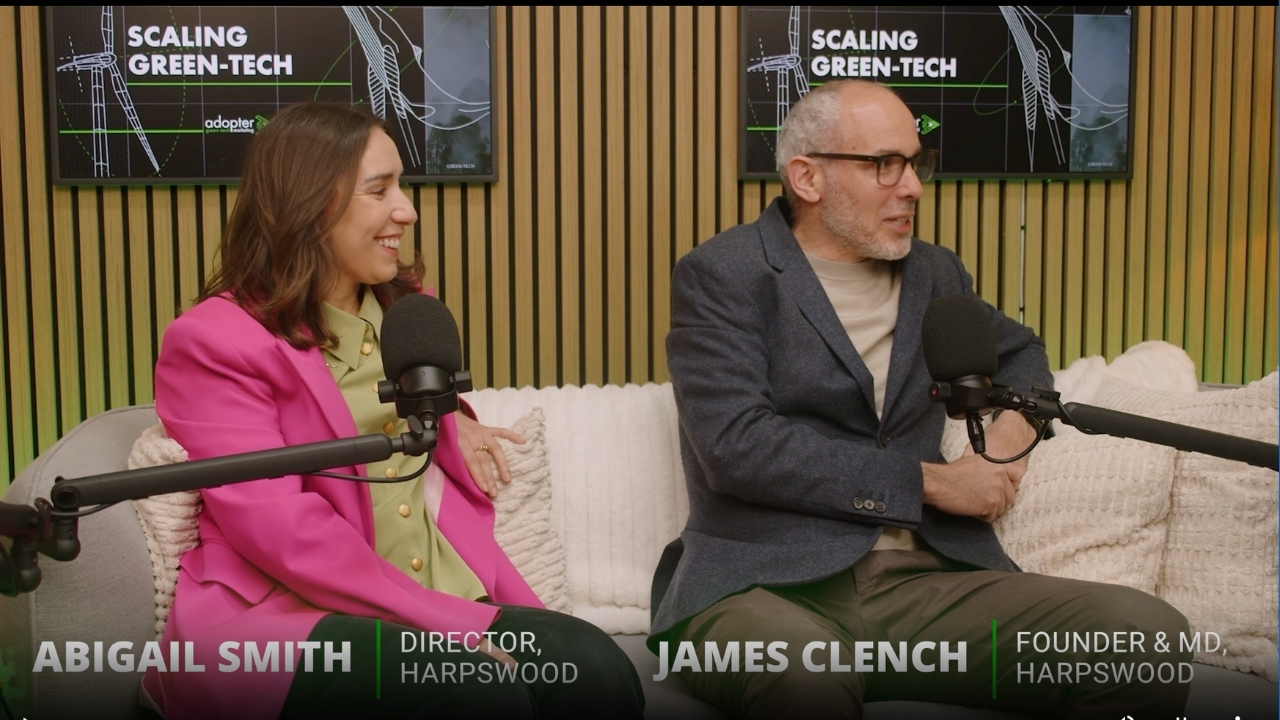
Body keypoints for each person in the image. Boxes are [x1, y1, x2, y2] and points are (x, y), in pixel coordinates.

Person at [649, 80, 1190, 719]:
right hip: (764, 589)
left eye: (915, 163)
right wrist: (933, 483)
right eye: (885, 164)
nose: (912, 187)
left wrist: (1006, 445)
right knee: (806, 678)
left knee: (1146, 638)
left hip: (928, 585)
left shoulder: (934, 273)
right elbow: (737, 447)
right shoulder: (723, 273)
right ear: (807, 177)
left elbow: (1020, 352)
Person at [141, 103, 643, 720]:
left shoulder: (405, 311)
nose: (406, 210)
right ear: (309, 204)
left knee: (596, 670)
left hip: (438, 586)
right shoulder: (215, 341)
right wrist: (447, 626)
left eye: (400, 187)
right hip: (290, 614)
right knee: (478, 694)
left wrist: (455, 414)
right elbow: (282, 532)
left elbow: (413, 409)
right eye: (380, 191)